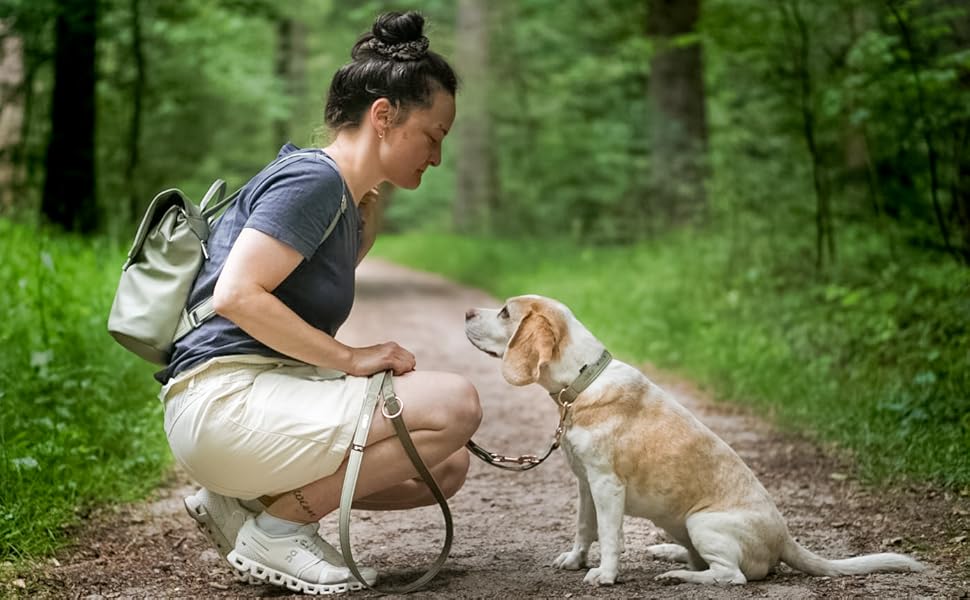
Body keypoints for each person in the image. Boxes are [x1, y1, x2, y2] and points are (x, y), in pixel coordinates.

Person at [156, 11, 481, 595]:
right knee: (454, 404)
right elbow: (236, 295)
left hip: (257, 403)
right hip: (224, 403)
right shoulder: (313, 180)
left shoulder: (354, 206)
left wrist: (368, 213)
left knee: (443, 467)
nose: (436, 157)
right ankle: (281, 527)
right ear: (383, 116)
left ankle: (242, 504)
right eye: (433, 136)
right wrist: (353, 360)